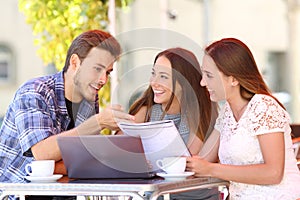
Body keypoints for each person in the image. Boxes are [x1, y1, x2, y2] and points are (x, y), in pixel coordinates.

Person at [0, 30, 135, 199]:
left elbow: (87, 160)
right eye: (97, 69)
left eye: (107, 72)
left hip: (62, 193)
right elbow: (42, 153)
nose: (103, 80)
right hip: (17, 194)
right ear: (75, 62)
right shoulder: (34, 92)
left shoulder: (88, 100)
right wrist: (98, 122)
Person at [186, 38, 300, 199]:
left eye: (209, 76)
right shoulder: (227, 112)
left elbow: (274, 173)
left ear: (233, 79)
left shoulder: (263, 107)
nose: (202, 82)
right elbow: (203, 160)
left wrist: (210, 169)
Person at [127, 47, 220, 199]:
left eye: (163, 77)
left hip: (193, 196)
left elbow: (187, 162)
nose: (154, 83)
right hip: (155, 194)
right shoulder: (145, 110)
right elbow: (120, 151)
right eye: (153, 74)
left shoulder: (201, 113)